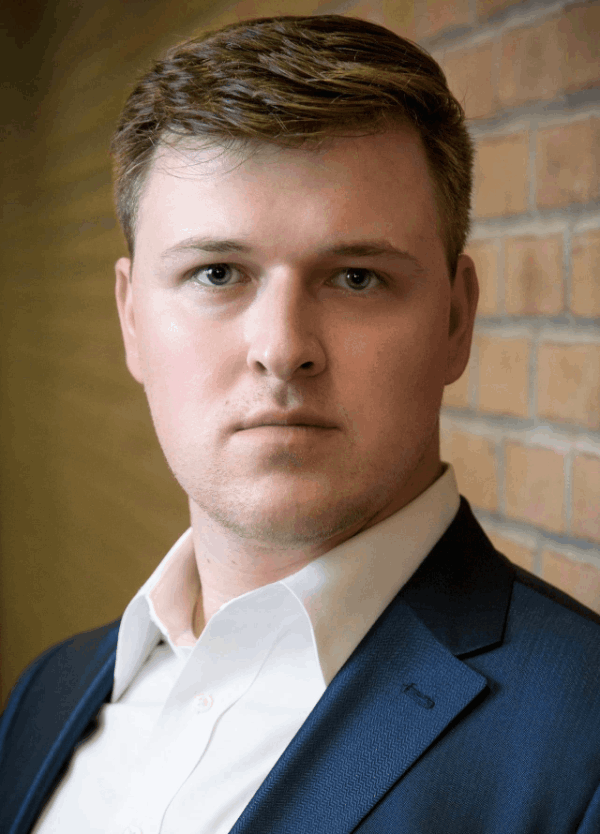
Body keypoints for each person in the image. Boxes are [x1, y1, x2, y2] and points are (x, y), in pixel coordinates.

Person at [1, 14, 599, 834]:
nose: (282, 349)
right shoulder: (45, 697)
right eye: (217, 273)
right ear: (132, 318)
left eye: (356, 277)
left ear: (456, 321)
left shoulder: (581, 745)